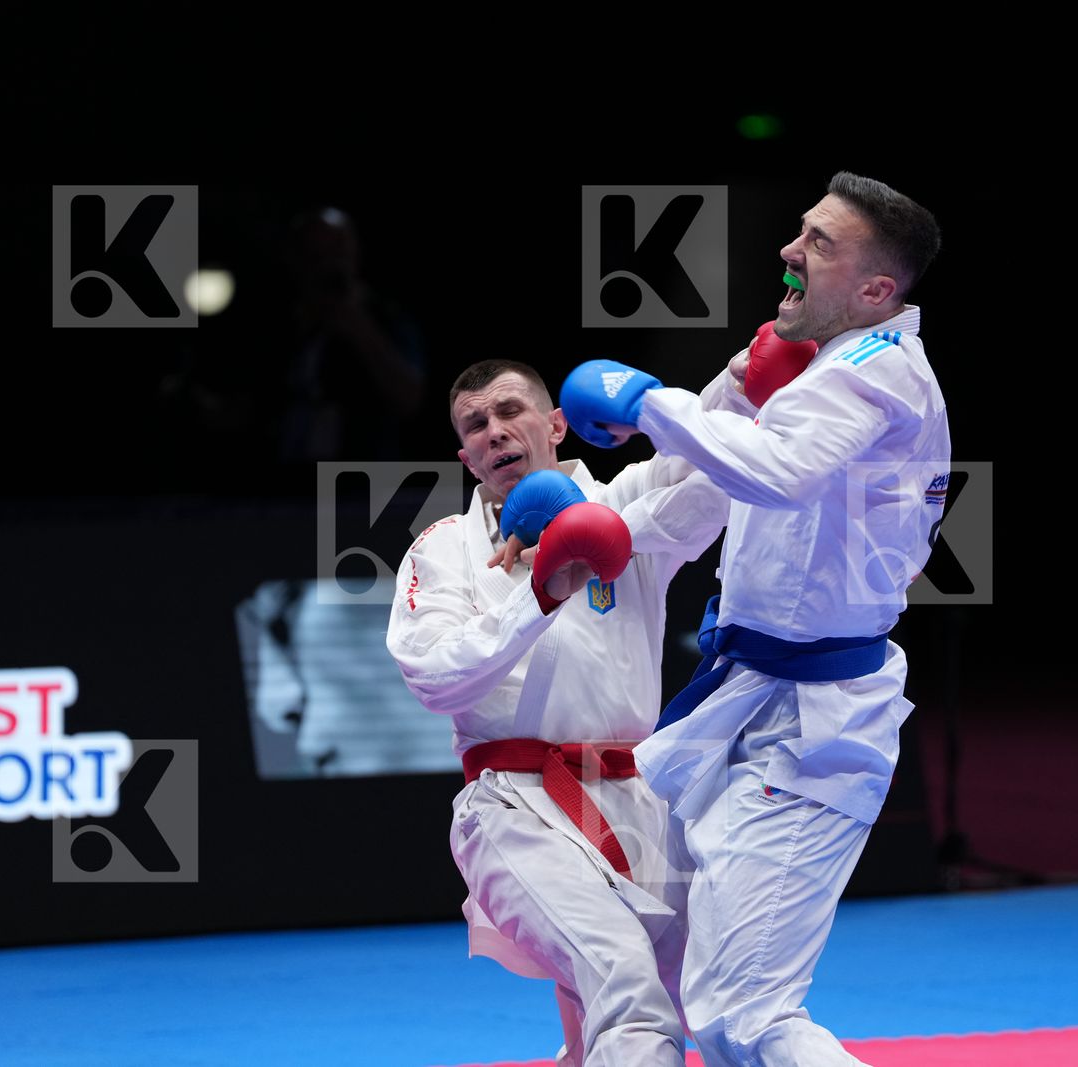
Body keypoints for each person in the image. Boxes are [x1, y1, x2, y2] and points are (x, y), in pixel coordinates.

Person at [558, 171, 949, 1066]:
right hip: (744, 697)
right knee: (643, 942)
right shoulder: (812, 365)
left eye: (819, 242)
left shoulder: (871, 376)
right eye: (800, 231)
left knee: (748, 1015)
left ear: (875, 290)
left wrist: (652, 401)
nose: (789, 251)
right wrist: (596, 529)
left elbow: (769, 471)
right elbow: (705, 497)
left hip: (814, 725)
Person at [386, 359, 730, 1066]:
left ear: (555, 424)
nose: (494, 432)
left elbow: (713, 467)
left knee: (715, 1003)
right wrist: (538, 593)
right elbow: (432, 675)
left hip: (644, 803)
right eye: (474, 425)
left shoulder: (622, 507)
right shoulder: (445, 548)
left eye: (510, 411)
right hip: (514, 807)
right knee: (628, 991)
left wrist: (745, 375)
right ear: (464, 455)